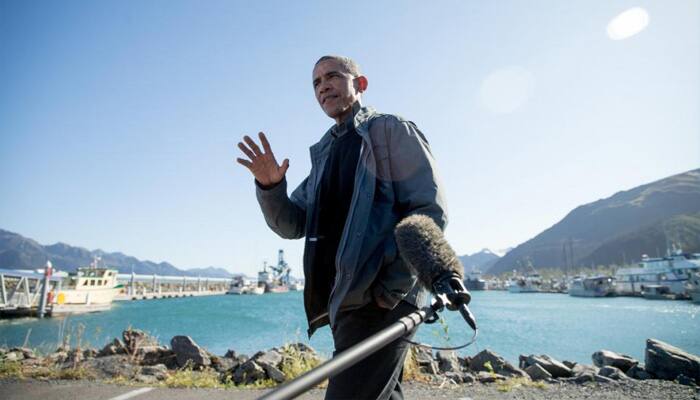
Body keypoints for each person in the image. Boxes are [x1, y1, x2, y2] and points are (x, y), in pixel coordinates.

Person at [236, 55, 447, 400]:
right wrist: (271, 188)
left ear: (360, 84)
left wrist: (391, 289)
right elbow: (292, 224)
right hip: (345, 302)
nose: (323, 86)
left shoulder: (391, 131)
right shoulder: (325, 154)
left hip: (380, 301)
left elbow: (428, 210)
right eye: (316, 83)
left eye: (332, 76)